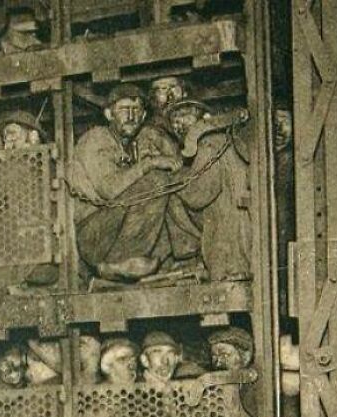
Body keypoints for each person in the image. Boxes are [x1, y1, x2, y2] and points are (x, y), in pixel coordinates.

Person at [71, 84, 193, 282]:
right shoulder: (97, 138)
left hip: (111, 229)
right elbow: (109, 189)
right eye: (123, 109)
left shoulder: (127, 145)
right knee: (155, 181)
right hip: (92, 235)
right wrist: (148, 163)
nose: (131, 116)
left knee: (167, 184)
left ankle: (181, 257)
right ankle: (120, 260)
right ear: (109, 114)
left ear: (144, 116)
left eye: (136, 110)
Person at [168, 100, 252, 281]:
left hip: (229, 248)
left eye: (185, 116)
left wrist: (175, 178)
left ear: (204, 119)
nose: (178, 124)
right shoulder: (224, 141)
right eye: (174, 120)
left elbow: (199, 194)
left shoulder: (209, 144)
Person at [140, 331, 204, 385]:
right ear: (145, 360)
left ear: (176, 359)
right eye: (157, 352)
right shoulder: (136, 390)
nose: (165, 361)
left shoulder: (179, 387)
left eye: (170, 352)